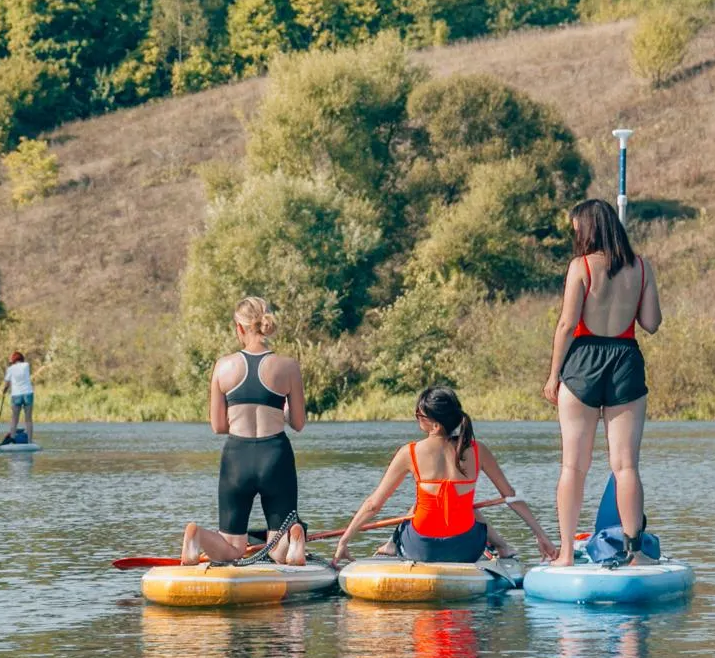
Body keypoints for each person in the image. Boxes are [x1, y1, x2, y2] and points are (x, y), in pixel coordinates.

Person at [544, 198, 661, 566]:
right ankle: (634, 554)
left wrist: (553, 375)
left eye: (577, 226)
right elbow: (652, 323)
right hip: (625, 358)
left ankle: (565, 553)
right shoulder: (642, 267)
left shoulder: (580, 266)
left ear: (589, 228)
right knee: (625, 466)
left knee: (573, 466)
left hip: (582, 361)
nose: (574, 232)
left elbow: (566, 324)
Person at [331, 387, 558, 566]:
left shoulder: (409, 452)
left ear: (435, 424)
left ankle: (392, 545)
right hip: (467, 548)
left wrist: (344, 541)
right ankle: (503, 547)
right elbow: (510, 497)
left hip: (422, 548)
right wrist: (541, 536)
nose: (417, 419)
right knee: (461, 501)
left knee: (425, 500)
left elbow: (373, 505)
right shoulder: (478, 451)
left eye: (418, 415)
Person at [179, 298, 309, 566]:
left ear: (239, 327)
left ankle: (197, 535)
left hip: (237, 457)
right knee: (276, 549)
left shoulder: (223, 366)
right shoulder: (287, 366)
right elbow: (298, 422)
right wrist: (279, 413)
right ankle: (294, 536)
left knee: (233, 548)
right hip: (275, 456)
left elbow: (218, 426)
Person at [2, 351, 35, 444]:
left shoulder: (10, 369)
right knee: (28, 419)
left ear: (13, 360)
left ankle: (12, 439)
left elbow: (7, 384)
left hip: (16, 395)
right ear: (21, 359)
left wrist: (4, 391)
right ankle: (29, 441)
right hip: (28, 394)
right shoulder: (26, 365)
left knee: (14, 419)